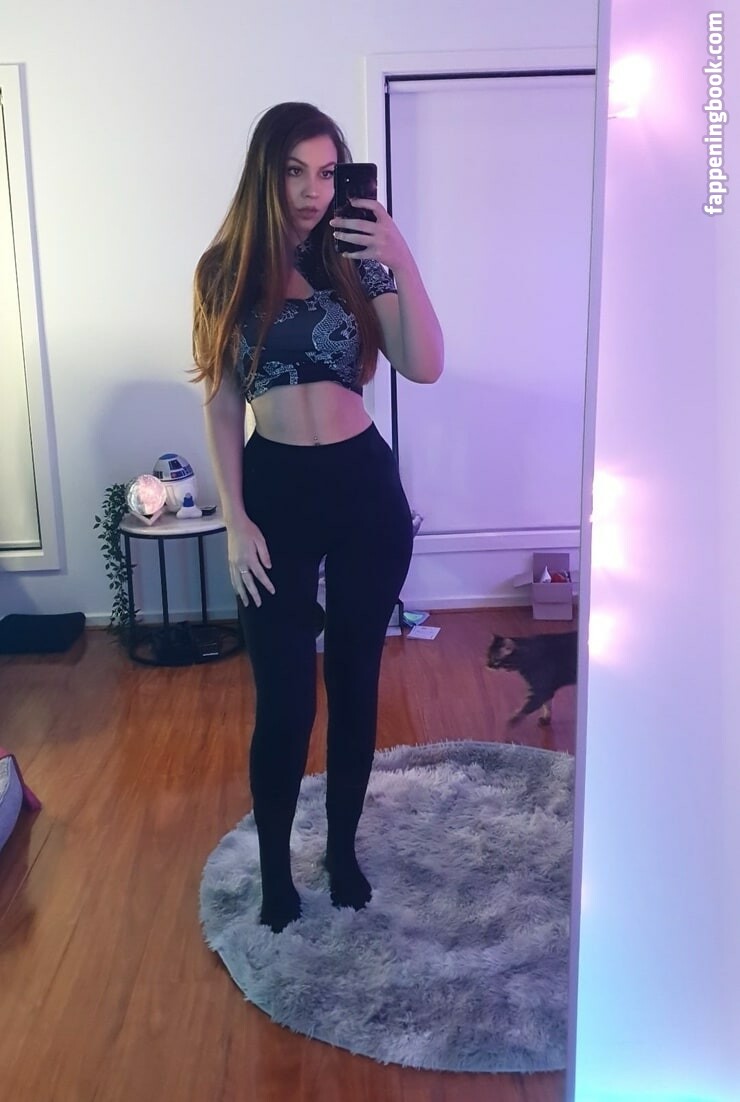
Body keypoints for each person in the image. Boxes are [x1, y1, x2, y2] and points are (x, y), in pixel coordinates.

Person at [192, 102, 443, 933]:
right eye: (296, 171)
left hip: (364, 491)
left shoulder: (356, 259)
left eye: (328, 172)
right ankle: (275, 870)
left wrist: (398, 257)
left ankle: (341, 851)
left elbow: (424, 365)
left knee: (356, 681)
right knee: (285, 702)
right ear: (267, 174)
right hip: (276, 495)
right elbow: (221, 404)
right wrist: (235, 521)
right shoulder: (224, 271)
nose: (313, 190)